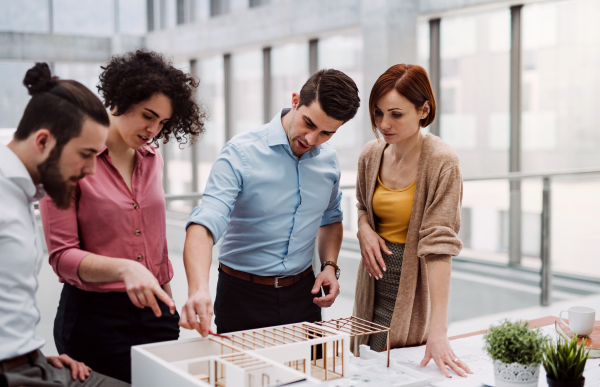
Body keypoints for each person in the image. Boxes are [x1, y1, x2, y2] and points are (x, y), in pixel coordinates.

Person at [39, 50, 206, 383]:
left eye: (163, 122)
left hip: (156, 312)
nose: (154, 129)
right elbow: (62, 257)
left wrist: (169, 306)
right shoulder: (66, 157)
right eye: (148, 115)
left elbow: (155, 245)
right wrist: (126, 268)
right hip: (94, 318)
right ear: (121, 98)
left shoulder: (152, 159)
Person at [180, 69, 360, 336]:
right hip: (242, 297)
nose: (311, 140)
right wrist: (198, 289)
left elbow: (331, 219)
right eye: (308, 123)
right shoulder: (240, 152)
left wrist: (330, 266)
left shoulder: (329, 160)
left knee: (310, 375)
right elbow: (205, 223)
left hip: (304, 296)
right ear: (296, 100)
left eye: (326, 133)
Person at [0, 63, 128, 387]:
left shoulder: (21, 192)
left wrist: (34, 356)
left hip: (34, 363)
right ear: (42, 141)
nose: (91, 170)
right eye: (85, 154)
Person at [351, 64, 472, 378]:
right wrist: (363, 229)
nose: (383, 124)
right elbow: (363, 207)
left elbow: (439, 247)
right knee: (365, 368)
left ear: (424, 110)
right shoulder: (370, 154)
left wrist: (438, 330)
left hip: (412, 293)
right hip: (370, 286)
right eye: (377, 113)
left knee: (401, 372)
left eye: (396, 114)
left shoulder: (442, 161)